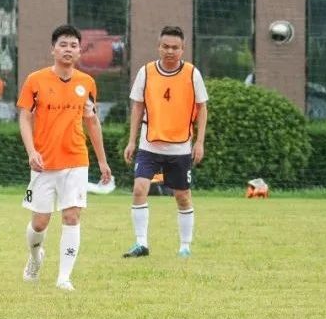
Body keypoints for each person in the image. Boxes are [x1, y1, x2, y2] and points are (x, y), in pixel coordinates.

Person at [17, 24, 112, 291]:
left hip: (76, 160)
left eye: (73, 45)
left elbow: (92, 121)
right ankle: (35, 257)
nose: (68, 49)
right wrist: (31, 151)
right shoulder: (35, 80)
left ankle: (64, 278)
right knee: (40, 222)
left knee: (71, 217)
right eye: (63, 45)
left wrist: (102, 161)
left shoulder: (87, 83)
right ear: (53, 49)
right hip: (44, 163)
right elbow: (24, 117)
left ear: (79, 51)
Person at [123, 26, 208, 258]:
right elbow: (137, 107)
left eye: (175, 47)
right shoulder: (146, 72)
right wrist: (131, 141)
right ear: (158, 47)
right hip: (149, 144)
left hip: (180, 146)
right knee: (139, 189)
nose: (170, 51)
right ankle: (141, 243)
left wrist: (199, 142)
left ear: (183, 49)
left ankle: (185, 246)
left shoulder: (192, 74)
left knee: (182, 196)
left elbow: (202, 108)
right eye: (166, 46)